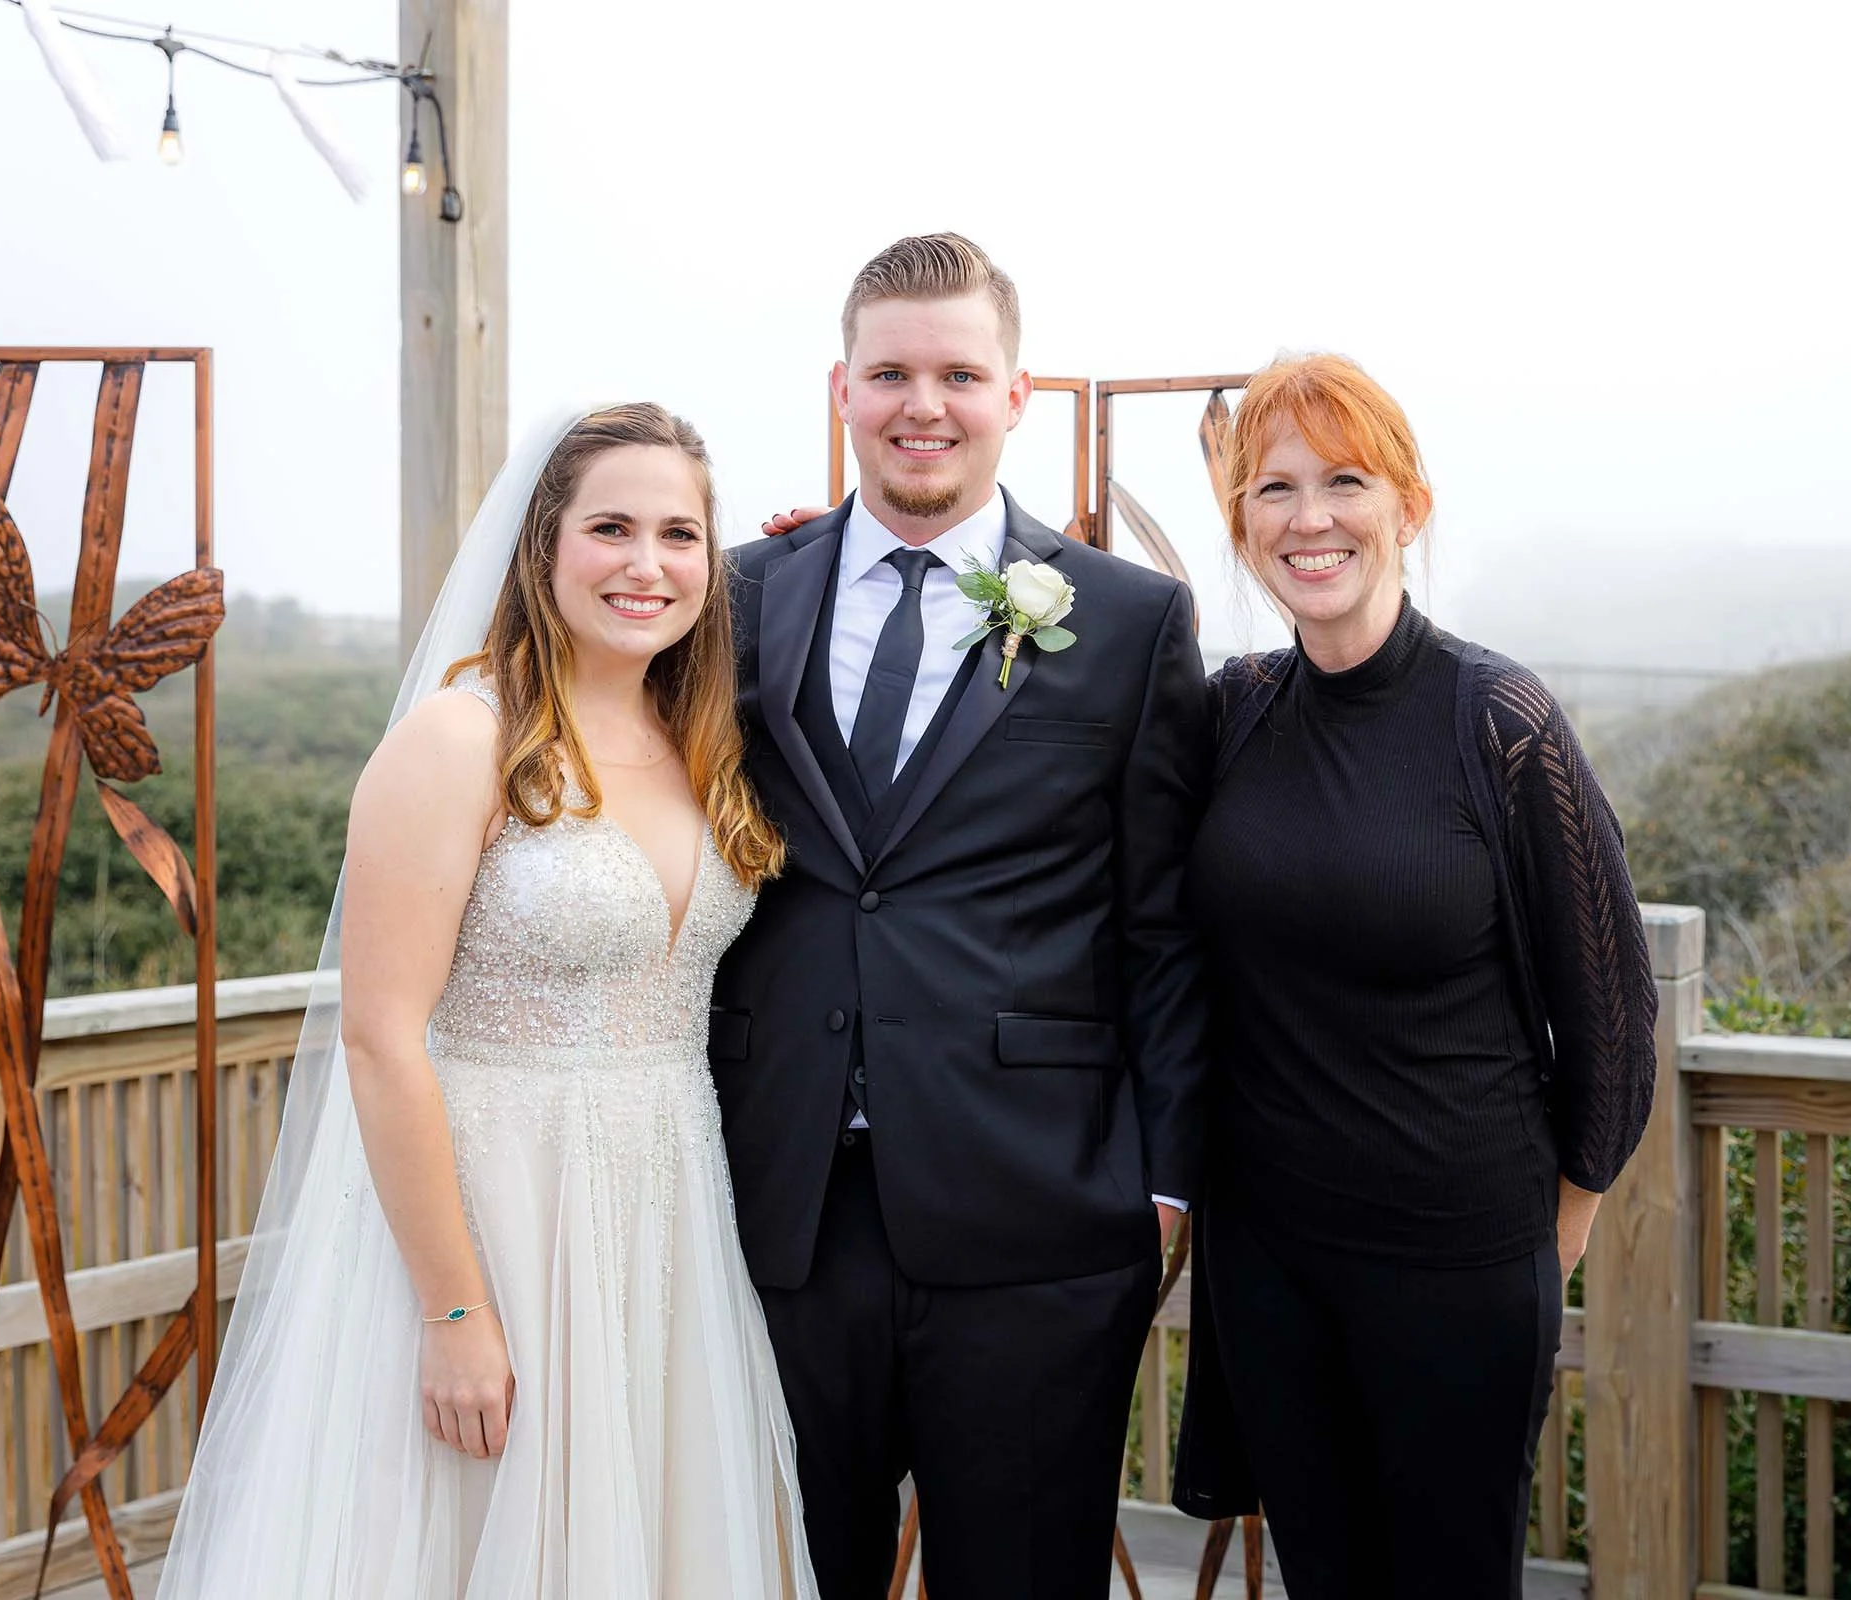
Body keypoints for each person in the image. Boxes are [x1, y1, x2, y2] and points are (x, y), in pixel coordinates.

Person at [158, 404, 820, 1598]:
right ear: (541, 545)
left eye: (680, 534)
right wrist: (453, 1309)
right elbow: (379, 1038)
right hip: (494, 1211)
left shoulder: (703, 745)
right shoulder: (460, 738)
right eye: (609, 527)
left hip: (665, 1214)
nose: (646, 563)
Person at [711, 233, 1213, 1600]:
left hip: (1039, 1214)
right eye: (890, 373)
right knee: (785, 1574)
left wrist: (1161, 1188)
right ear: (842, 389)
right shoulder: (736, 600)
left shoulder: (1126, 621)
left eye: (956, 373)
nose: (920, 403)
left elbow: (1163, 926)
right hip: (781, 1208)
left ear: (1016, 394)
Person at [1168, 353, 1659, 1597]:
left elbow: (1610, 1008)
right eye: (1273, 490)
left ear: (1409, 503)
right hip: (1271, 1266)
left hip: (1458, 1262)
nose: (1310, 517)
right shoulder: (1231, 714)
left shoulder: (1499, 722)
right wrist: (820, 552)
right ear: (1242, 526)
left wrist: (1559, 1226)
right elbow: (1045, 738)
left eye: (1344, 480)